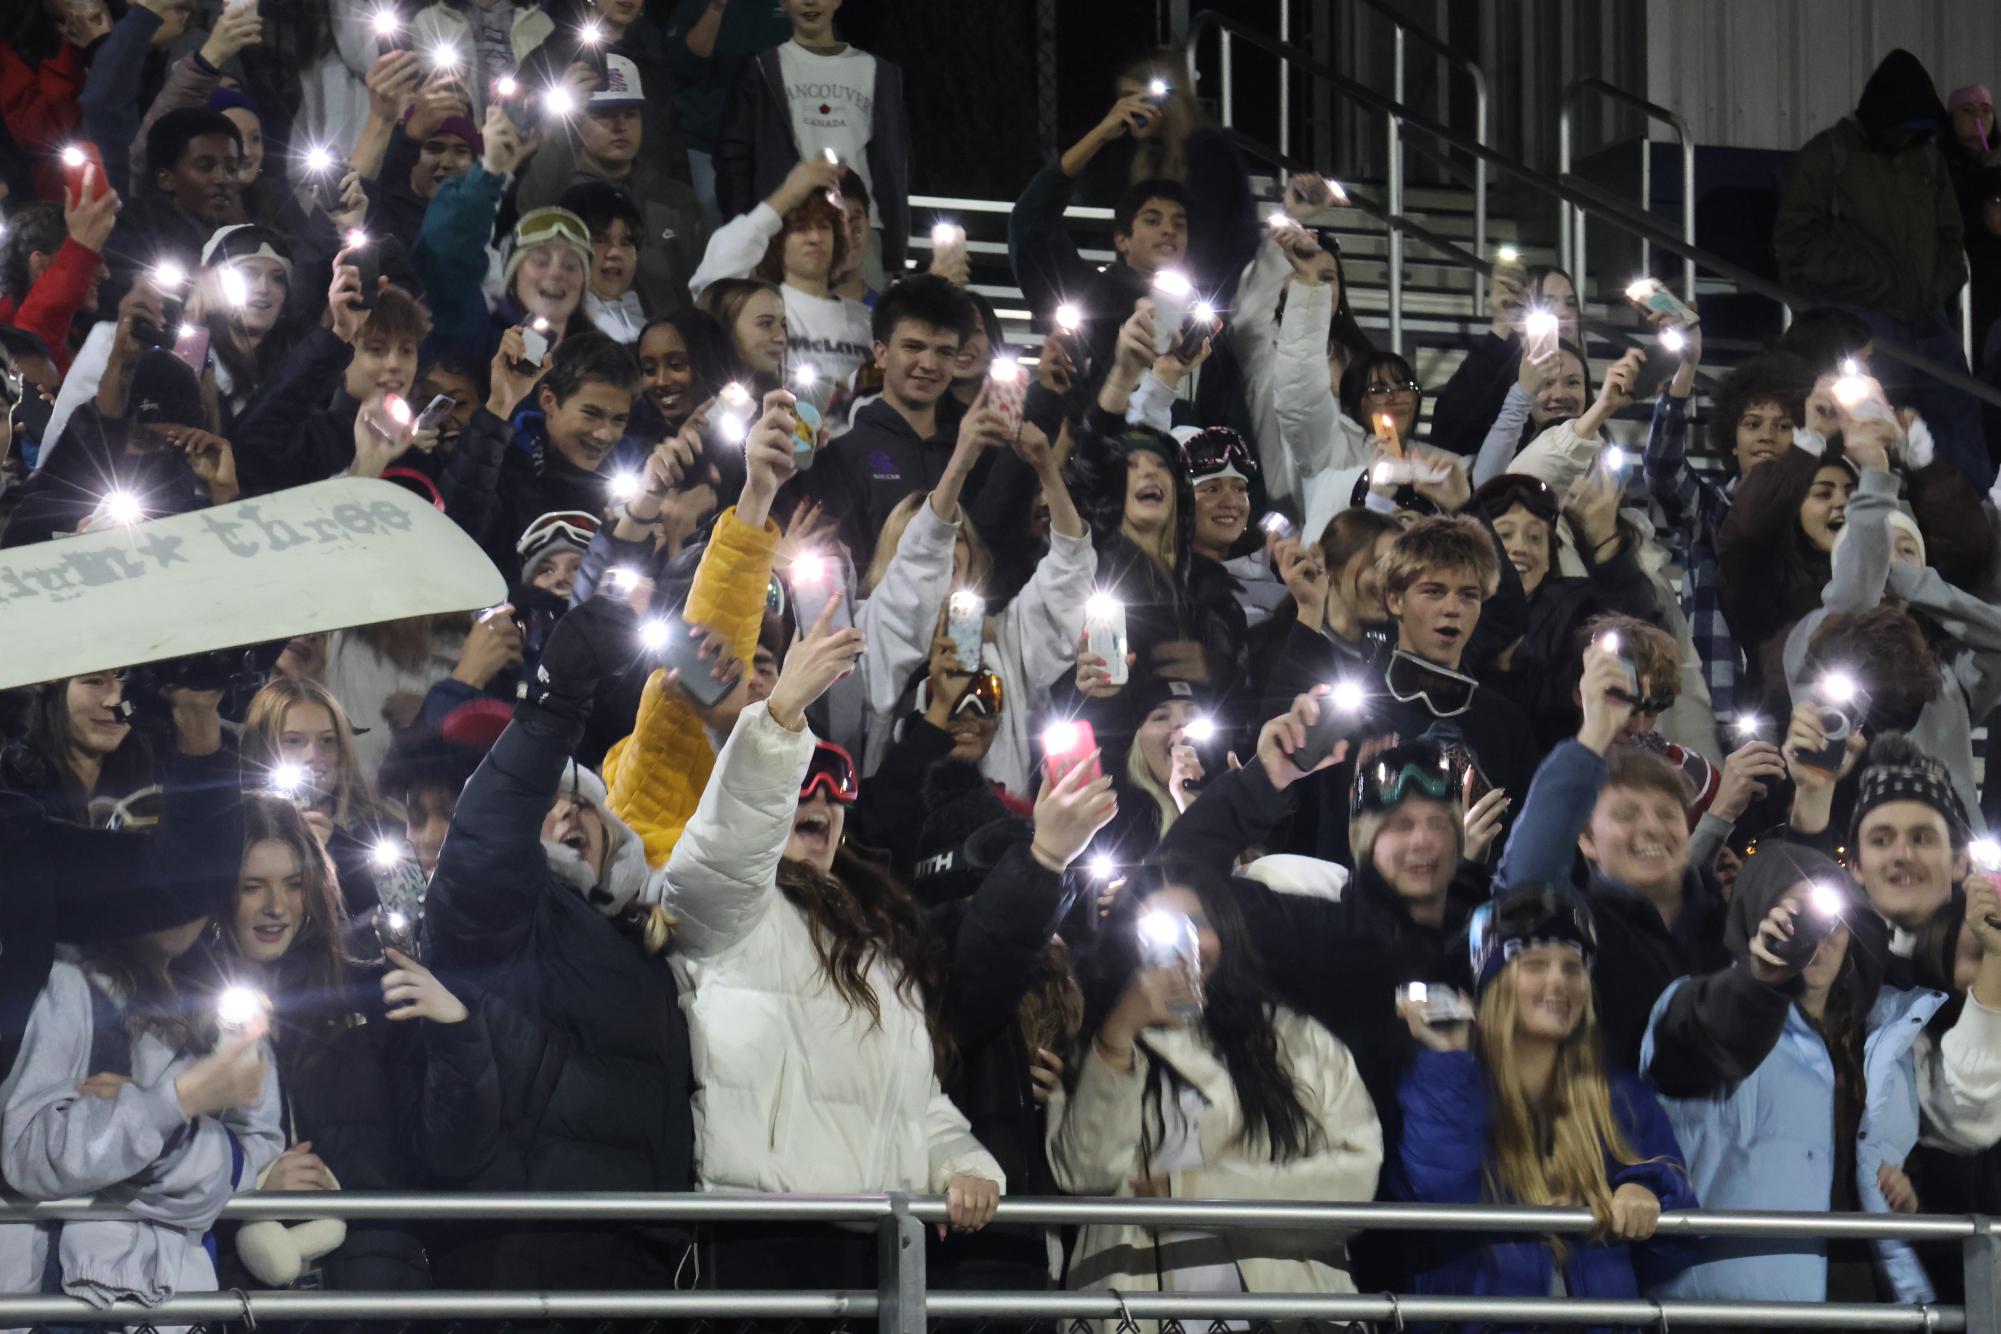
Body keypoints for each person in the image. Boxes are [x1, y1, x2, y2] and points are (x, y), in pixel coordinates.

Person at [662, 582, 1004, 1290]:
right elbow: (730, 836)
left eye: (834, 784)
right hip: (761, 1241)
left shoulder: (872, 933)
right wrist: (780, 714)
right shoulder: (729, 907)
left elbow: (906, 1094)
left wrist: (960, 1164)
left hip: (876, 1242)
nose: (818, 797)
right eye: (800, 783)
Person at [422, 596, 691, 1290]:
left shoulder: (647, 934)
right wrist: (553, 705)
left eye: (584, 804)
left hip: (636, 1261)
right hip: (521, 1249)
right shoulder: (511, 914)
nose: (568, 812)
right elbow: (483, 846)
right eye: (548, 807)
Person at [1639, 844, 1983, 1305]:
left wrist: (1906, 1193)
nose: (1819, 937)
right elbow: (1694, 1049)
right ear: (1758, 919)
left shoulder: (1884, 1035)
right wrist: (1762, 975)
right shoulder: (1700, 1007)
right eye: (1796, 918)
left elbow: (1890, 1157)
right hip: (1734, 1307)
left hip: (1866, 1302)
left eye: (1833, 920)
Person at [1048, 859, 1383, 1309]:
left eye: (1198, 924)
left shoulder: (1299, 1041)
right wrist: (1118, 1035)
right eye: (1160, 929)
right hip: (1136, 1310)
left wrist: (1191, 1192)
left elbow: (1353, 1183)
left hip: (1285, 1312)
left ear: (1227, 931)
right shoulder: (1094, 1042)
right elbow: (1084, 1175)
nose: (1185, 944)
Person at [201, 796, 487, 1293]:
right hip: (241, 1291)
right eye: (252, 887)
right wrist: (250, 1191)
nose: (276, 906)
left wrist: (457, 1032)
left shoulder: (373, 992)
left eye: (293, 884)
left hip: (375, 1288)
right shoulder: (184, 1005)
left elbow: (451, 1151)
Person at [1397, 887, 1696, 1310]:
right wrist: (1449, 1057)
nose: (1558, 981)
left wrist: (1647, 1193)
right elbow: (1442, 1191)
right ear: (1495, 985)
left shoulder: (1620, 1097)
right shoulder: (1447, 1083)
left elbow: (1671, 1255)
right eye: (1534, 965)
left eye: (1573, 967)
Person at [1495, 637, 1774, 1067]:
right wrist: (1593, 735)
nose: (1650, 827)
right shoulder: (1578, 932)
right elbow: (1524, 882)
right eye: (1625, 814)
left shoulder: (1731, 929)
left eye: (1666, 813)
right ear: (1586, 840)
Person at [0, 892, 282, 1312]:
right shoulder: (63, 977)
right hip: (62, 1299)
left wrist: (164, 1117)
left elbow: (242, 1163)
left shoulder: (227, 1001)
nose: (177, 905)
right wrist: (174, 1106)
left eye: (196, 888)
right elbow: (28, 1156)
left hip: (175, 1300)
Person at [1774, 49, 1984, 484]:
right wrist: (1866, 279)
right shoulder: (1827, 155)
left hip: (1927, 320)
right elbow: (1794, 243)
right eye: (1902, 128)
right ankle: (1884, 514)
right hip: (1860, 321)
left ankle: (1976, 521)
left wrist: (1937, 286)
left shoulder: (1928, 159)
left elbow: (1951, 238)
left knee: (1959, 418)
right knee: (1873, 421)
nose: (1910, 137)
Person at [1644, 342, 1814, 730]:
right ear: (1732, 441)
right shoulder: (1711, 510)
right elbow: (1662, 471)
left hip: (1800, 708)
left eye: (1783, 425)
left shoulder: (1819, 515)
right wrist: (1686, 368)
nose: (1766, 436)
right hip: (1715, 704)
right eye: (1752, 424)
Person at [714, 0, 912, 279]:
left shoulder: (876, 71)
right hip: (788, 231)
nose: (810, 2)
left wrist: (894, 250)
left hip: (860, 235)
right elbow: (735, 158)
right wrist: (746, 232)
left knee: (863, 320)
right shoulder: (762, 69)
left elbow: (892, 163)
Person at [1474, 468, 1660, 748]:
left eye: (1535, 538)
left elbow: (1641, 636)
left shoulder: (1573, 607)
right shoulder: (1450, 611)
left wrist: (1604, 539)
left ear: (1549, 559)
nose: (1520, 547)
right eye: (1504, 535)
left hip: (1557, 775)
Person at [518, 56, 709, 321]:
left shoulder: (676, 197)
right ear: (577, 122)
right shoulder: (560, 195)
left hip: (672, 350)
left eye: (630, 114)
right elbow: (529, 206)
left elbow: (706, 284)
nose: (620, 125)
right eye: (604, 114)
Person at [449, 328, 647, 572]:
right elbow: (453, 533)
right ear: (548, 401)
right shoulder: (500, 462)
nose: (605, 434)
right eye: (591, 414)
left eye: (618, 420)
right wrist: (500, 404)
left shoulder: (636, 489)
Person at [690, 154, 872, 408]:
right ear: (777, 240)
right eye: (800, 228)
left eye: (823, 226)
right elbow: (711, 283)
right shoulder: (760, 308)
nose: (814, 238)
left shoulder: (867, 319)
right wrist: (787, 196)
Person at [239, 676, 398, 917]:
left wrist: (336, 847)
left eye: (327, 740)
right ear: (262, 749)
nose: (313, 755)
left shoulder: (379, 830)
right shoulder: (234, 832)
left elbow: (403, 916)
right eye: (293, 741)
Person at [1429, 263, 1583, 459]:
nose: (1563, 312)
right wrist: (1502, 324)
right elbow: (1451, 429)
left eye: (1570, 303)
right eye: (1547, 303)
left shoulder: (1578, 372)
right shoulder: (1496, 373)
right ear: (1521, 315)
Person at [659, 0, 792, 221]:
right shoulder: (697, 6)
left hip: (772, 149)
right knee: (710, 234)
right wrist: (716, 8)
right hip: (706, 146)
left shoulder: (788, 8)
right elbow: (684, 64)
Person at [0, 186, 116, 376]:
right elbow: (42, 316)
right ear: (41, 266)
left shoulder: (77, 335)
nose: (105, 274)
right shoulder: (15, 341)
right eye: (89, 261)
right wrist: (81, 246)